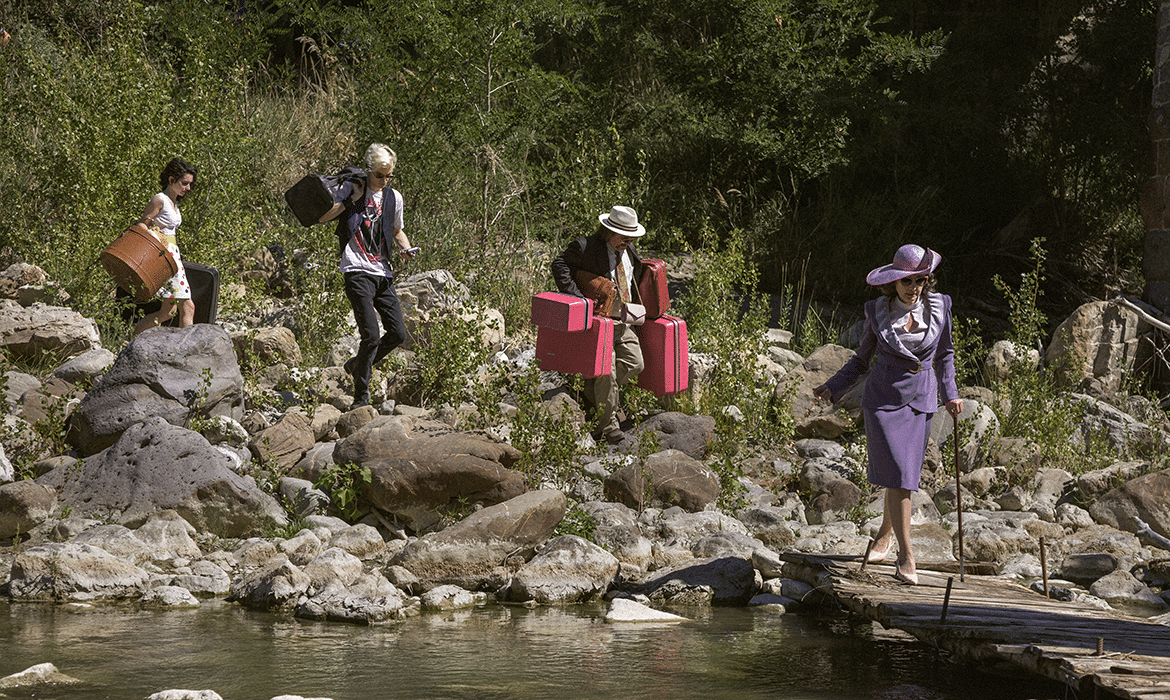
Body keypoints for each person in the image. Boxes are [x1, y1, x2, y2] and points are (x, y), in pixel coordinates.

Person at [813, 243, 963, 585]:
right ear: (893, 283)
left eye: (920, 281)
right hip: (882, 401)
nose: (914, 289)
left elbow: (945, 356)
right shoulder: (877, 312)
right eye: (908, 282)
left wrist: (951, 395)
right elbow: (861, 360)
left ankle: (884, 533)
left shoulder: (940, 307)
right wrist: (833, 387)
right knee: (899, 477)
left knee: (902, 478)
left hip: (922, 401)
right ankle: (906, 555)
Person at [319, 143, 416, 409]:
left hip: (382, 272)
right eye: (379, 175)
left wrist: (406, 249)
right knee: (371, 335)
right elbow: (322, 218)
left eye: (389, 176)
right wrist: (351, 199)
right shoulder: (352, 188)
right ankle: (361, 397)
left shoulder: (394, 197)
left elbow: (397, 231)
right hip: (356, 269)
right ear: (369, 170)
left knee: (397, 333)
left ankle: (357, 365)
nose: (384, 181)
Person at [551, 205, 647, 444]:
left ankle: (589, 393)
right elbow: (559, 265)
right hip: (598, 320)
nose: (628, 240)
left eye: (631, 236)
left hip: (622, 320)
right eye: (623, 235)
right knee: (606, 372)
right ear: (608, 231)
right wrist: (579, 298)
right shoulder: (585, 247)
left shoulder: (629, 250)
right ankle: (607, 425)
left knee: (635, 364)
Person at [133, 157, 197, 336]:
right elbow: (142, 225)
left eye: (189, 184)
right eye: (184, 183)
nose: (188, 188)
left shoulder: (173, 202)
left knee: (168, 312)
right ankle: (187, 348)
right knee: (187, 306)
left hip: (173, 258)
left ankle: (131, 337)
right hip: (164, 257)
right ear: (171, 180)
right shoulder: (160, 199)